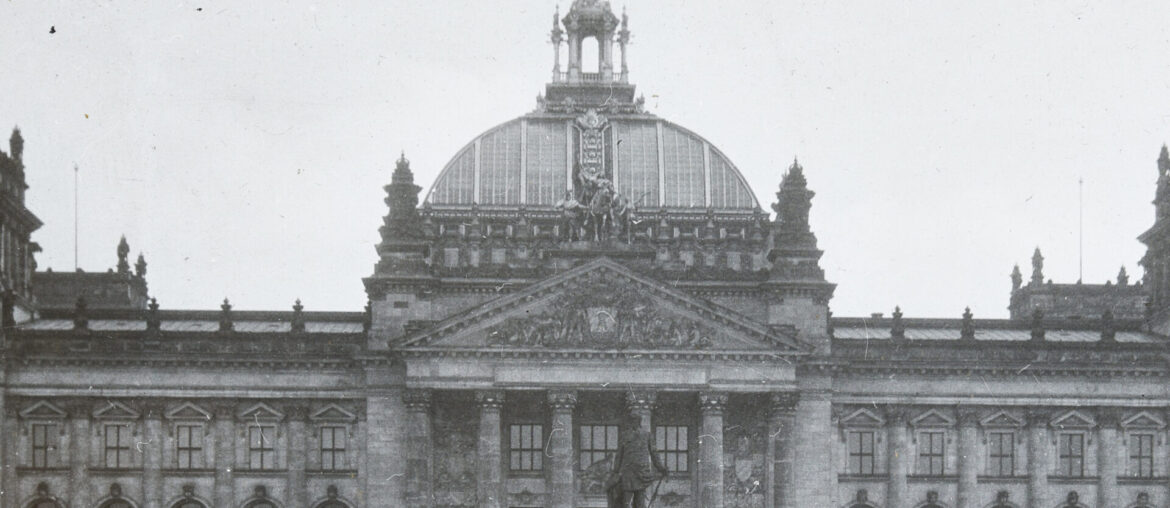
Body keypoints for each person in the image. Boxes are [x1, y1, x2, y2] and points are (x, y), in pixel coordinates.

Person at [606, 413, 668, 508]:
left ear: (639, 422)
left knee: (637, 501)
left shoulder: (645, 435)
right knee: (628, 501)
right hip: (631, 472)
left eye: (634, 420)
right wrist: (615, 471)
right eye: (632, 421)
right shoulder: (627, 435)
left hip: (639, 473)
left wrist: (661, 468)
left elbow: (654, 453)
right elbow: (619, 455)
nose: (633, 423)